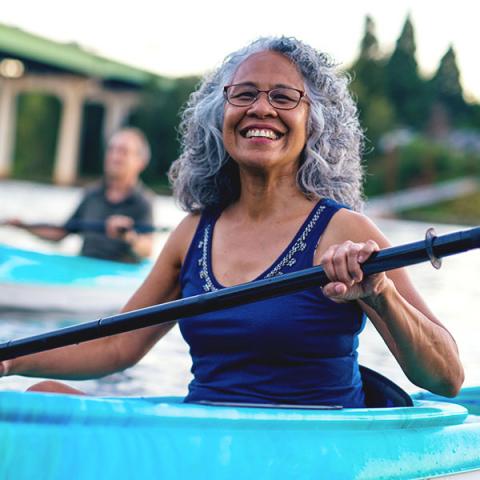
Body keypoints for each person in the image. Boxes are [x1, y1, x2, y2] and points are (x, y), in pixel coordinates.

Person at [0, 37, 464, 406]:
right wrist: (11, 357)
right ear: (219, 116)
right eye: (244, 94)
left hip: (313, 441)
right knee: (41, 401)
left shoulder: (347, 231)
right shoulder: (192, 233)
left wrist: (380, 295)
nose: (261, 108)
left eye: (284, 97)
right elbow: (116, 347)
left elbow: (447, 378)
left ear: (315, 123)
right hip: (206, 435)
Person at [6, 127, 154, 263]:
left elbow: (147, 249)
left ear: (140, 162)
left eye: (123, 151)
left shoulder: (143, 201)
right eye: (111, 150)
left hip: (118, 276)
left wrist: (128, 236)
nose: (115, 156)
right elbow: (62, 232)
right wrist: (23, 226)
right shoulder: (92, 194)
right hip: (85, 272)